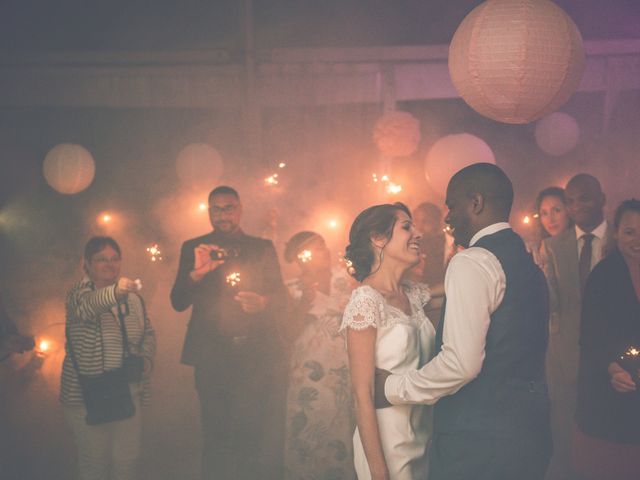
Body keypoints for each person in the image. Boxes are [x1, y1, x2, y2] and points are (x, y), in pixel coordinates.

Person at [376, 163, 552, 480]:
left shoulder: (472, 260)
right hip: (530, 433)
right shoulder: (527, 259)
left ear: (476, 203)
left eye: (452, 205)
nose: (447, 217)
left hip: (479, 444)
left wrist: (391, 388)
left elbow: (461, 364)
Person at [170, 185, 287, 480]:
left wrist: (263, 302)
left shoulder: (261, 248)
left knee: (251, 433)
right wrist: (196, 273)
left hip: (253, 356)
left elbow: (282, 297)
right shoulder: (194, 247)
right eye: (217, 209)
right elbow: (177, 302)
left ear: (240, 209)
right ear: (209, 212)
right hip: (211, 357)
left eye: (229, 208)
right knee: (215, 434)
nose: (223, 215)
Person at [340, 202, 436, 480]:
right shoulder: (365, 301)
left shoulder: (413, 294)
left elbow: (453, 289)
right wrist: (378, 472)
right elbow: (362, 395)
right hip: (387, 444)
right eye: (407, 227)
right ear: (378, 238)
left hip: (422, 434)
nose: (417, 233)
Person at [60, 236, 156, 480]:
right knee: (95, 464)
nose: (109, 265)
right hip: (86, 395)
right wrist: (115, 291)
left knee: (127, 461)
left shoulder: (133, 298)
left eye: (114, 259)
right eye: (101, 259)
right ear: (87, 265)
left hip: (127, 390)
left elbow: (148, 332)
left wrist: (146, 359)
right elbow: (87, 308)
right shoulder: (78, 294)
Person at [543, 174, 614, 480]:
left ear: (602, 198)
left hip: (616, 355)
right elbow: (553, 306)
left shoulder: (624, 238)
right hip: (565, 357)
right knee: (564, 437)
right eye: (570, 201)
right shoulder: (552, 247)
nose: (576, 207)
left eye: (584, 198)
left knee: (611, 437)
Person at [573, 199, 640, 479]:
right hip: (609, 392)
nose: (637, 239)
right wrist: (613, 369)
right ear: (616, 233)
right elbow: (590, 337)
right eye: (629, 232)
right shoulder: (602, 275)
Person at [281, 231, 356, 480]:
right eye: (314, 248)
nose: (323, 251)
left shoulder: (348, 278)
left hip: (346, 369)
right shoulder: (292, 288)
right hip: (308, 375)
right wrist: (304, 302)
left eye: (323, 245)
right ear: (301, 258)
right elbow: (286, 334)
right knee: (307, 434)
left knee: (343, 434)